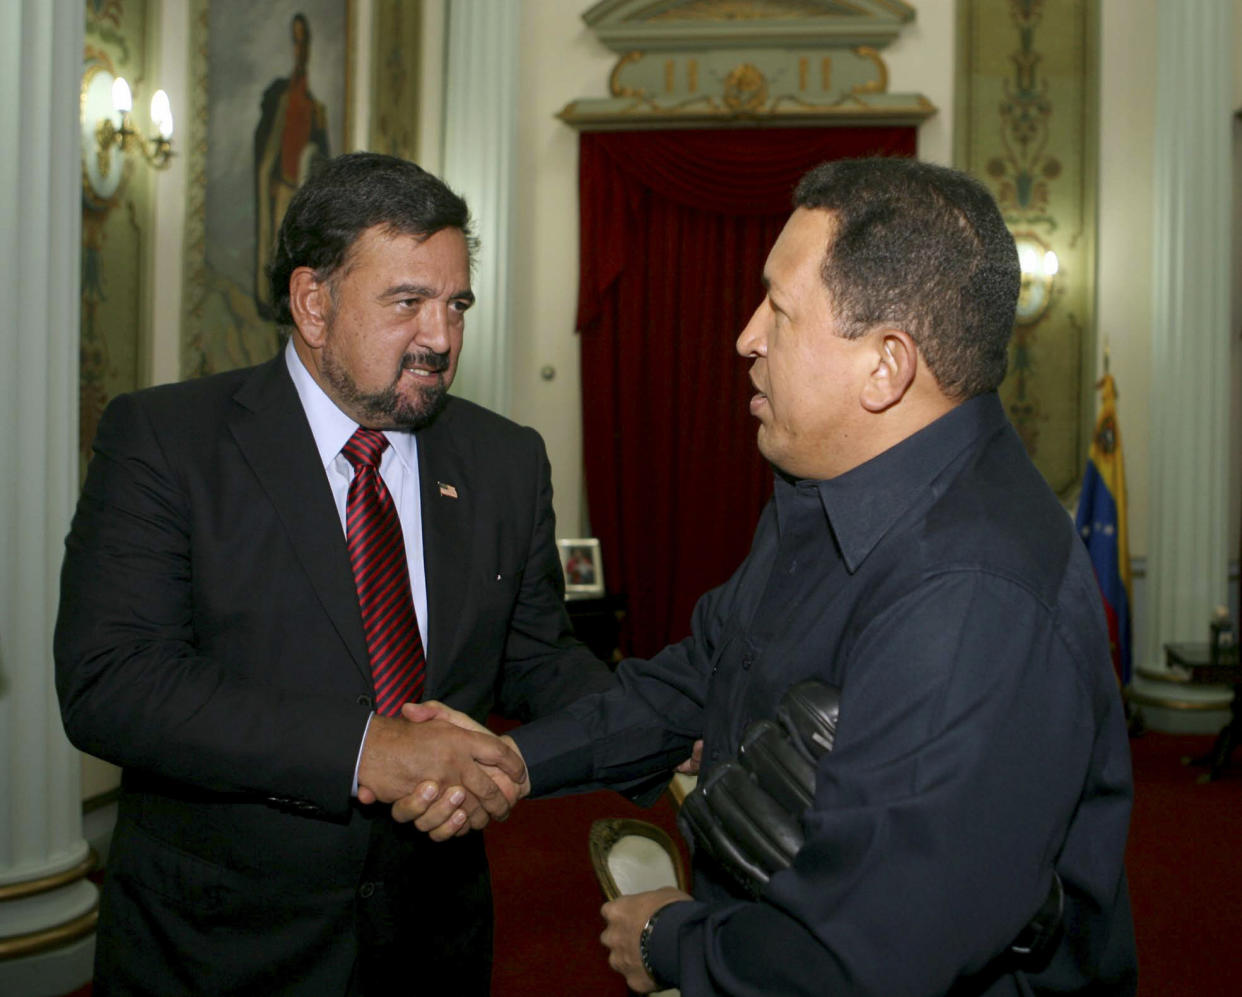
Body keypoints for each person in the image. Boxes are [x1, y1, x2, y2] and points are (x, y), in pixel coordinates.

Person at [404, 158, 1138, 995]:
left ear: (886, 365)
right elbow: (708, 670)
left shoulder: (971, 597)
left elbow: (867, 956)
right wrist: (513, 759)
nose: (746, 335)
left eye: (780, 313)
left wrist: (672, 939)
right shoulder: (829, 489)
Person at [55, 152, 615, 996]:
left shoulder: (505, 459)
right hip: (218, 948)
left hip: (430, 941)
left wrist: (659, 723)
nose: (441, 336)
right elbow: (113, 681)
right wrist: (367, 751)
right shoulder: (167, 442)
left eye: (456, 303)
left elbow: (535, 658)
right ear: (314, 303)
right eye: (407, 302)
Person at [254, 12, 331, 318]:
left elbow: (323, 160)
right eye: (295, 41)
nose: (300, 49)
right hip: (280, 193)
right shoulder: (279, 96)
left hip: (301, 198)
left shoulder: (315, 108)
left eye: (304, 42)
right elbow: (267, 144)